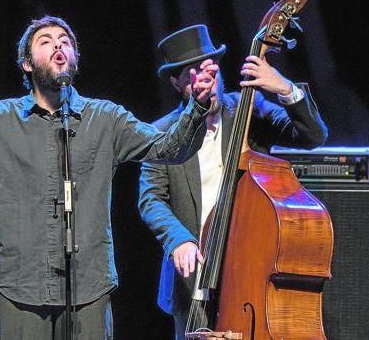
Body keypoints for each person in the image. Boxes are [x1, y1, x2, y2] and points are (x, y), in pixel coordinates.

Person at [0, 16, 220, 340]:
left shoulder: (106, 118)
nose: (58, 45)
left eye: (65, 41)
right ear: (27, 64)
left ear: (75, 59)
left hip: (88, 291)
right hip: (18, 291)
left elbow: (170, 149)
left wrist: (197, 105)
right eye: (46, 41)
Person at [138, 24, 328, 339]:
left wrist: (284, 88)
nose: (205, 84)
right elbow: (151, 199)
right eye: (192, 77)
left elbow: (313, 136)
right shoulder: (160, 133)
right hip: (194, 279)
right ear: (176, 83)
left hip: (251, 269)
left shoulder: (248, 108)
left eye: (208, 72)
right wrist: (178, 239)